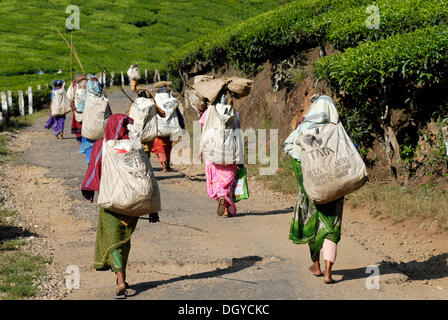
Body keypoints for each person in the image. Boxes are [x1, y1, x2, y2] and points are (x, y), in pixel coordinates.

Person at [81, 114, 158, 299]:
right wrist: (152, 208)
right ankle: (121, 277)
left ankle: (120, 279)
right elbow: (146, 177)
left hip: (112, 203)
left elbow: (94, 169)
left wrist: (89, 190)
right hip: (134, 205)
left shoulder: (103, 145)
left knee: (112, 239)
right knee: (124, 240)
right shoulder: (136, 146)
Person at [284, 95, 343, 284]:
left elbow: (294, 157)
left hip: (310, 191)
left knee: (313, 227)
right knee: (331, 229)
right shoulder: (336, 130)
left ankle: (315, 265)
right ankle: (328, 272)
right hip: (333, 191)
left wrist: (298, 128)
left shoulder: (303, 131)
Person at [199, 91, 244, 217]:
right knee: (227, 181)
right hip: (230, 153)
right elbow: (238, 133)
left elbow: (204, 128)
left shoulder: (209, 113)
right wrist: (240, 159)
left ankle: (221, 197)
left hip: (213, 153)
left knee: (217, 181)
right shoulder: (235, 113)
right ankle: (226, 209)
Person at [79, 74, 111, 164]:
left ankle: (90, 166)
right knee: (101, 148)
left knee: (90, 148)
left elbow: (79, 110)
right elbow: (109, 114)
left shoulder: (86, 97)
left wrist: (72, 105)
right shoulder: (103, 98)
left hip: (89, 129)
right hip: (102, 130)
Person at [152, 82, 182, 172]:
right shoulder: (173, 102)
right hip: (171, 130)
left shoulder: (155, 103)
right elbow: (179, 116)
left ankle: (164, 165)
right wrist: (182, 126)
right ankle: (168, 165)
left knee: (160, 147)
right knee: (168, 147)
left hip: (159, 131)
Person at [67, 74, 87, 143]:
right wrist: (72, 106)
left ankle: (85, 137)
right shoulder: (74, 86)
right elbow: (70, 96)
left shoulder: (88, 86)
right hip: (77, 109)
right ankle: (80, 138)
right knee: (78, 122)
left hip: (87, 109)